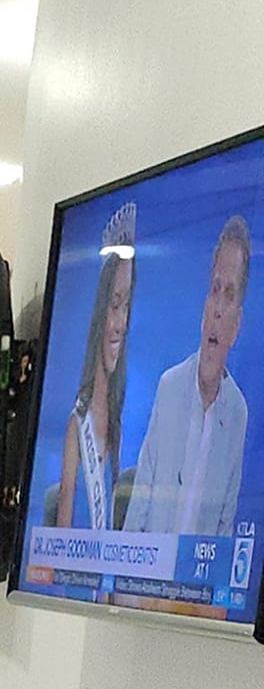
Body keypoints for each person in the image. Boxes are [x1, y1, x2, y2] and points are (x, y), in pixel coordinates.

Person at [125, 215, 252, 536]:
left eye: (229, 295)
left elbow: (225, 524)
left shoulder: (237, 412)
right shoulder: (170, 387)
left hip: (195, 570)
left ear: (237, 324)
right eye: (214, 290)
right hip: (151, 565)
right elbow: (140, 500)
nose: (218, 308)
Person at [44, 201, 138, 529]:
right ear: (100, 313)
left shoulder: (116, 420)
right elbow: (62, 532)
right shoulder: (76, 425)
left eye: (126, 307)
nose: (120, 323)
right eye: (114, 304)